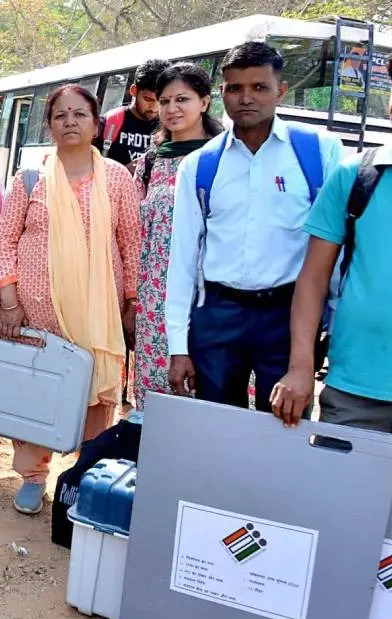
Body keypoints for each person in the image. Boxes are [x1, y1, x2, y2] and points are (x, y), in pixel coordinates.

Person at [166, 42, 342, 412]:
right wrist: (178, 347)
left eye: (259, 87)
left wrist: (333, 324)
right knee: (217, 429)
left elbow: (334, 250)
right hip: (217, 316)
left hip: (289, 316)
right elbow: (182, 259)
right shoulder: (200, 165)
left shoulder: (318, 152)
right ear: (222, 93)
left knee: (282, 429)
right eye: (235, 88)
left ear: (281, 90)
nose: (246, 98)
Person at [0, 83, 142, 515]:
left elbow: (131, 244)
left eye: (80, 114)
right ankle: (34, 476)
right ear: (49, 125)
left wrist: (131, 302)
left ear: (96, 124)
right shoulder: (31, 179)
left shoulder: (116, 177)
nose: (70, 122)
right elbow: (4, 242)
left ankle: (83, 478)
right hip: (36, 315)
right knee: (37, 393)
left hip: (97, 316)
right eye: (61, 115)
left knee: (95, 397)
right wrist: (9, 298)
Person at [272, 97, 392, 432]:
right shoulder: (357, 176)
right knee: (346, 485)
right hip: (356, 389)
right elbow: (312, 279)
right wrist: (300, 367)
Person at [130, 63, 223, 409]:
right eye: (165, 101)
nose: (171, 109)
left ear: (205, 101)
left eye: (182, 99)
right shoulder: (150, 163)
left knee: (210, 400)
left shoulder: (220, 159)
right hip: (154, 303)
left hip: (208, 299)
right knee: (156, 405)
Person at [102, 59, 167, 168]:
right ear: (134, 91)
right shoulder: (109, 122)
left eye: (161, 101)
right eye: (148, 99)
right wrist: (123, 172)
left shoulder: (169, 127)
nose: (154, 108)